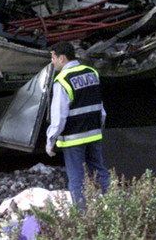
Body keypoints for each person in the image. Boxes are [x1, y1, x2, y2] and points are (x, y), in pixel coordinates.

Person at [45, 41, 109, 210]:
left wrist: (50, 141)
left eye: (53, 58)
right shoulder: (92, 73)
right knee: (100, 172)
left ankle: (82, 220)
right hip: (94, 134)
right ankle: (115, 210)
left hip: (74, 139)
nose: (52, 62)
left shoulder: (63, 81)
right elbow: (100, 108)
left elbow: (59, 117)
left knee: (77, 180)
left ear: (62, 58)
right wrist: (98, 128)